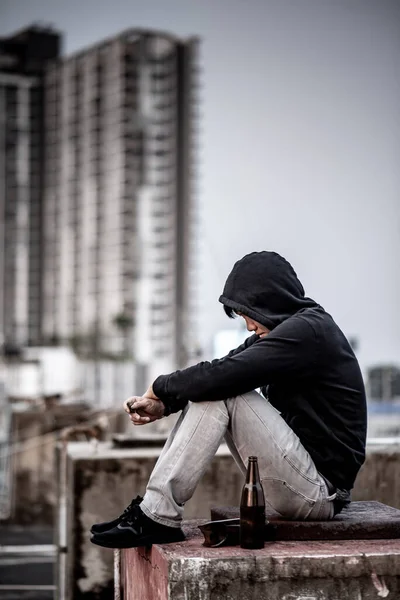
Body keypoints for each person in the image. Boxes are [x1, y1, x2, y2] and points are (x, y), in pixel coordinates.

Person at [90, 251, 367, 549]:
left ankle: (156, 515)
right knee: (218, 388)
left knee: (224, 391)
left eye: (249, 312)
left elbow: (222, 377)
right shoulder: (288, 332)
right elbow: (224, 366)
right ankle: (153, 511)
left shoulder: (308, 331)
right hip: (303, 482)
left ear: (270, 300)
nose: (248, 325)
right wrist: (165, 404)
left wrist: (159, 386)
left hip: (319, 493)